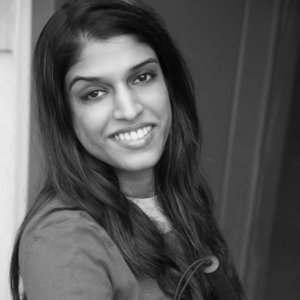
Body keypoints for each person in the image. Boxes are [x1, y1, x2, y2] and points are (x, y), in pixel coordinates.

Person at [10, 0, 244, 299]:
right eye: (94, 93)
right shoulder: (64, 242)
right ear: (64, 115)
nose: (130, 109)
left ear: (169, 84)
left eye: (142, 77)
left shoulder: (180, 194)